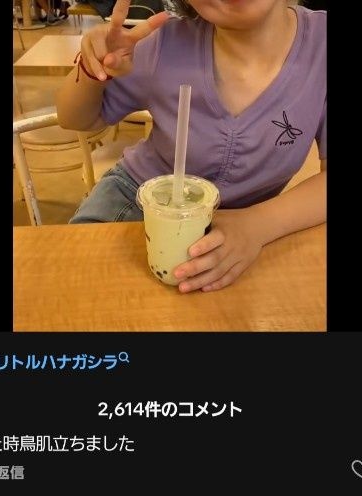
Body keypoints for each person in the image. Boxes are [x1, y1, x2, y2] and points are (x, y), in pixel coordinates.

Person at [57, 0, 326, 293]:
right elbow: (75, 119)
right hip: (132, 206)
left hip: (246, 234)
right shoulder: (165, 45)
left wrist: (258, 225)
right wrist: (93, 69)